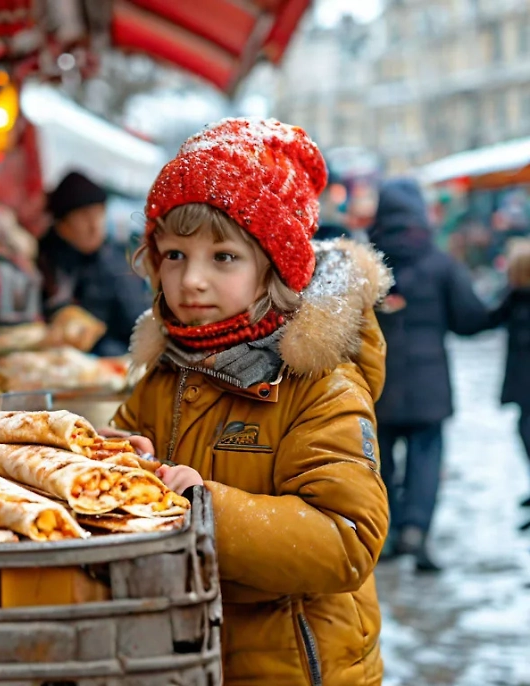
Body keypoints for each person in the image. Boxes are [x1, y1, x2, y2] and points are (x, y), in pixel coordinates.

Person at [113, 119, 391, 685]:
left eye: (223, 257)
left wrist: (202, 508)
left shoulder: (320, 385)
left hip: (295, 669)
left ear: (273, 267)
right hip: (190, 660)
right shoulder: (162, 378)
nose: (191, 280)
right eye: (172, 255)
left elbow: (346, 540)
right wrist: (115, 461)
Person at [368, 177, 492, 572]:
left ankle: (384, 536)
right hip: (429, 387)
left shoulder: (366, 267)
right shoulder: (441, 264)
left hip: (378, 384)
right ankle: (415, 532)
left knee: (379, 465)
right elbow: (470, 320)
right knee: (426, 460)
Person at [38, 171, 149, 356]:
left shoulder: (114, 257)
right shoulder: (44, 262)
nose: (94, 225)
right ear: (62, 224)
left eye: (100, 213)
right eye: (84, 216)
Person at [490, 239, 530, 528]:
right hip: (522, 382)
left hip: (522, 381)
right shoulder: (514, 298)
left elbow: (488, 318)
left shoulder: (514, 299)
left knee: (526, 431)